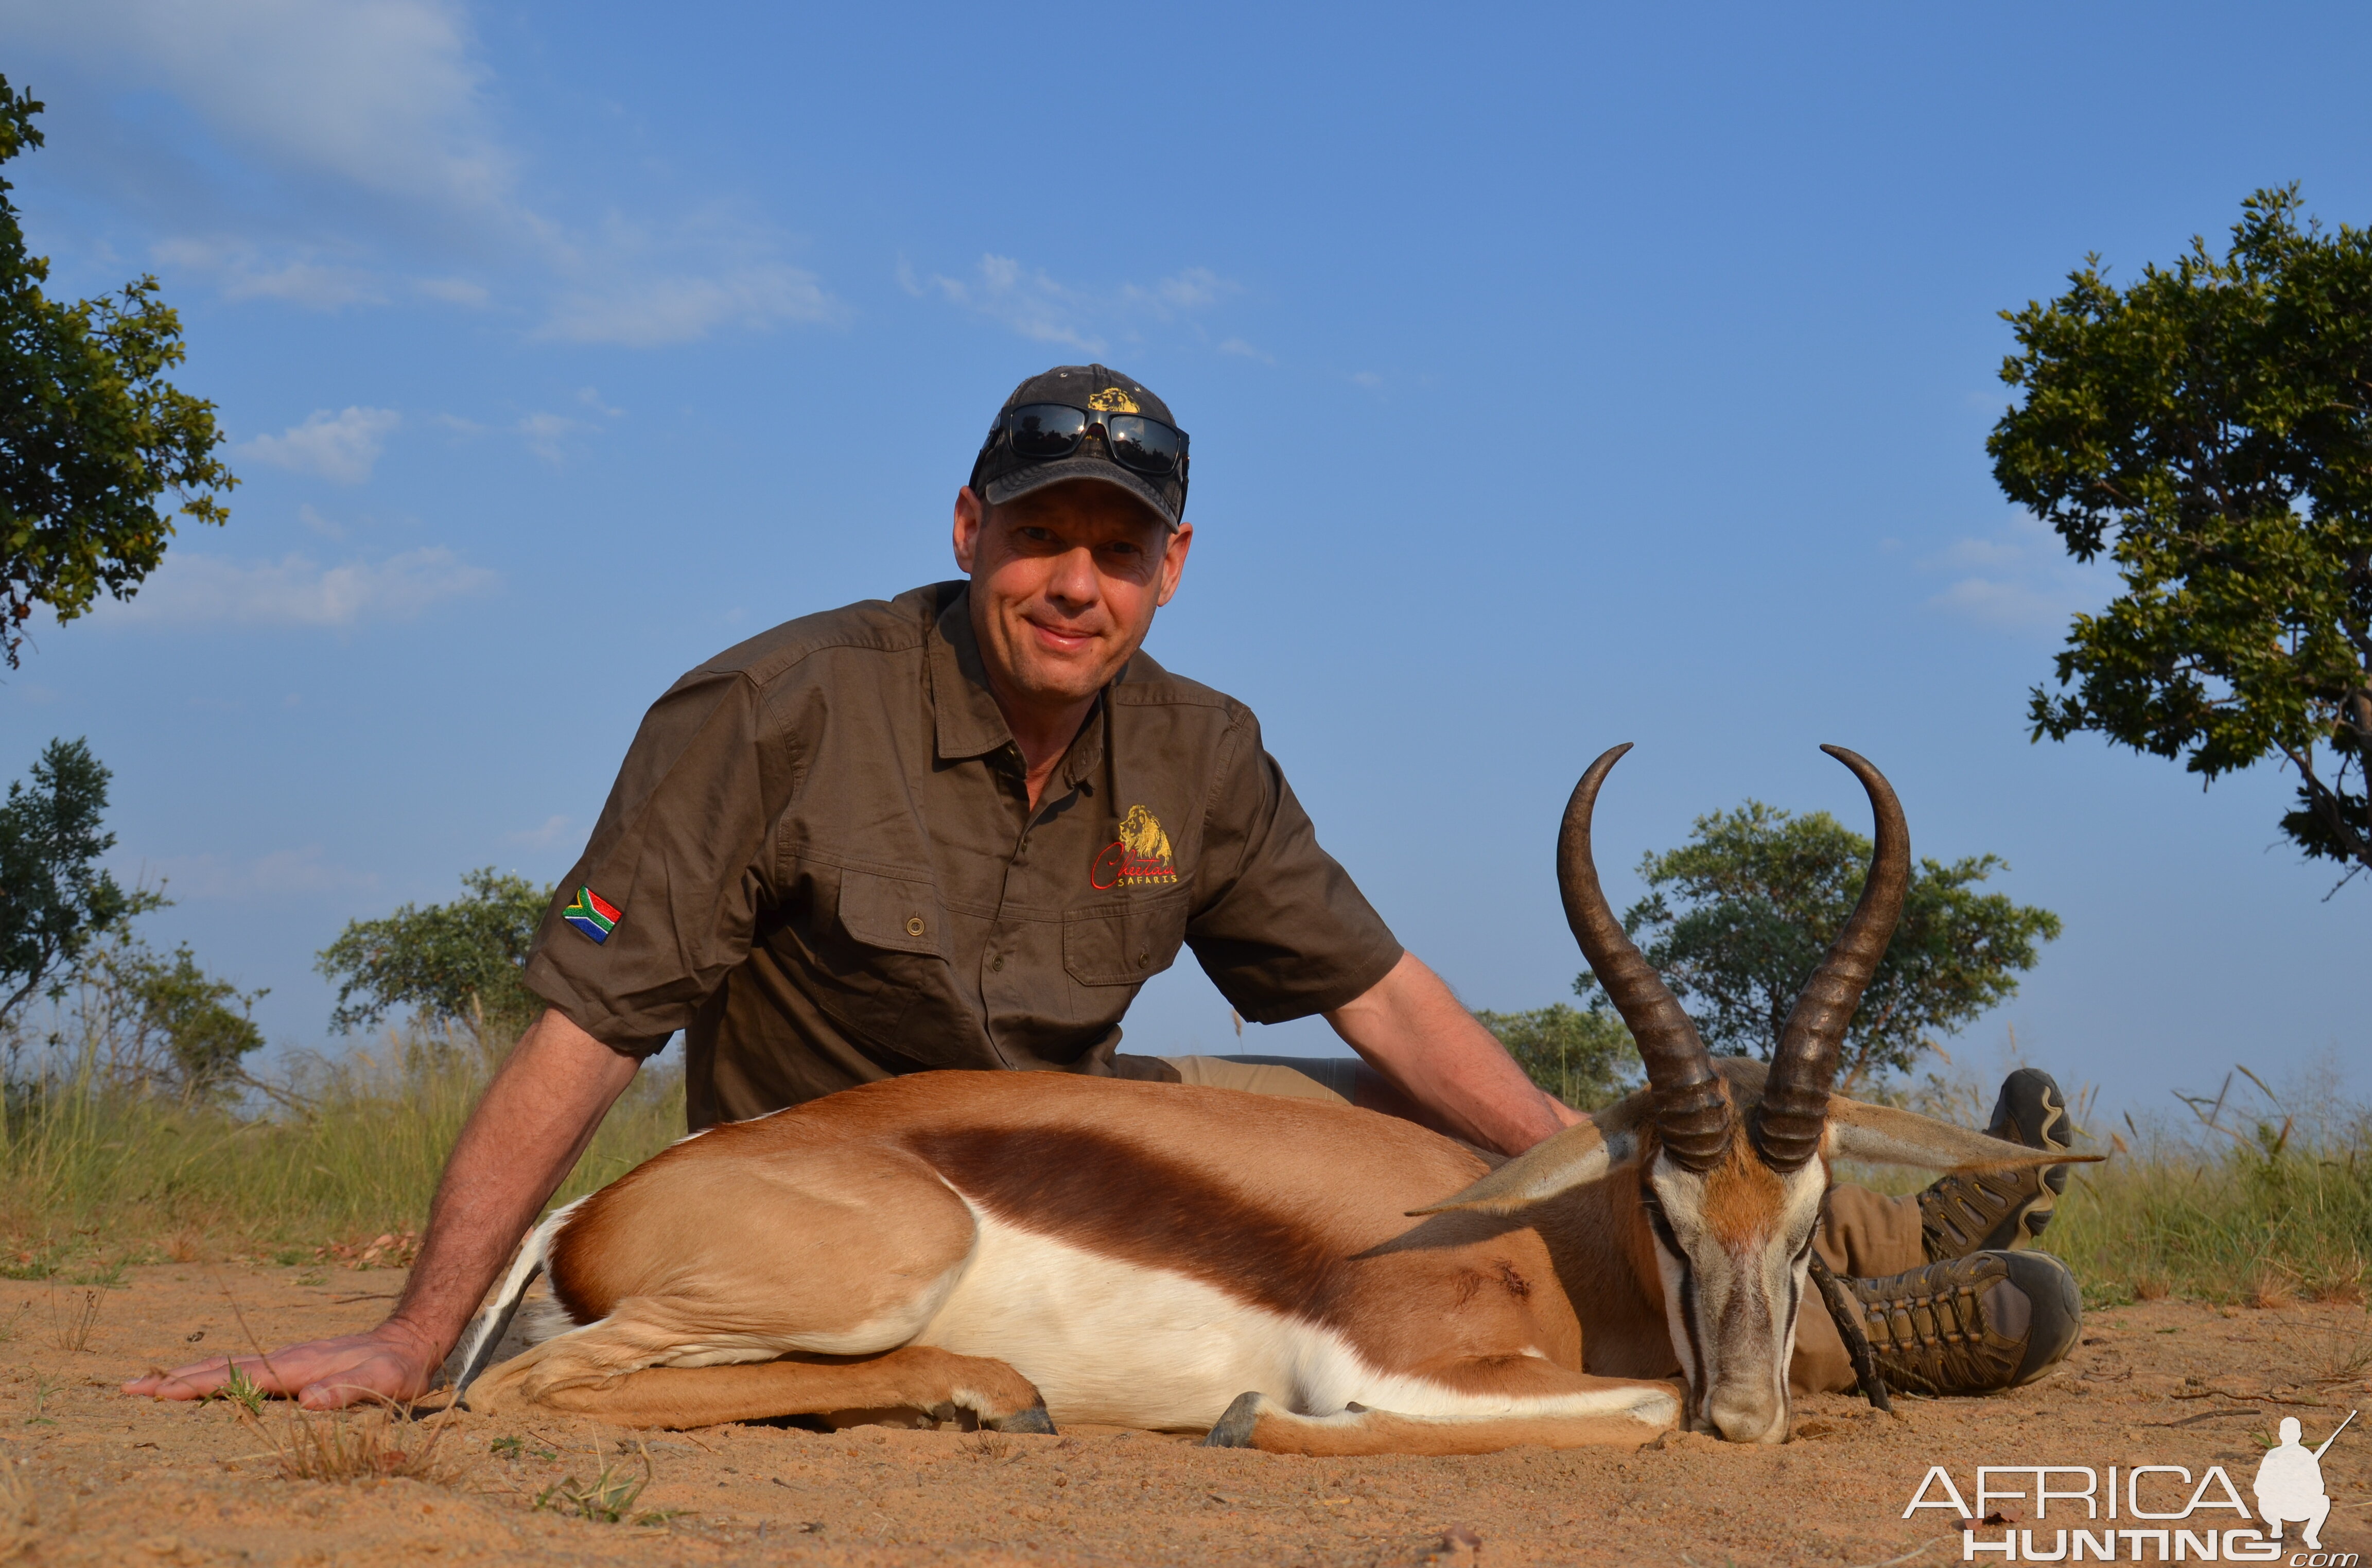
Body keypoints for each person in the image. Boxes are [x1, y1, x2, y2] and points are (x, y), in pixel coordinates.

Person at [126, 365, 2081, 1413]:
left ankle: (1873, 1251)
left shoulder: (1201, 747)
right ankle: (1834, 1347)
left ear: (1171, 567)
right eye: (1041, 535)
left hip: (1082, 1135)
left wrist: (1657, 1161)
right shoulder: (776, 705)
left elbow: (1384, 1003)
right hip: (863, 1175)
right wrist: (415, 1326)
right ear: (967, 527)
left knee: (1408, 1129)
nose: (1077, 579)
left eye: (1118, 550)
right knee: (1373, 1194)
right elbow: (583, 1028)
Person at [2256, 1413, 2348, 1550]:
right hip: (2278, 1506)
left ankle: (2310, 1535)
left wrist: (2300, 1484)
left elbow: (2319, 1488)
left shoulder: (2306, 1456)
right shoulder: (2273, 1456)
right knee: (2263, 1500)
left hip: (2301, 1506)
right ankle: (2276, 1525)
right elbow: (2260, 1486)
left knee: (2323, 1501)